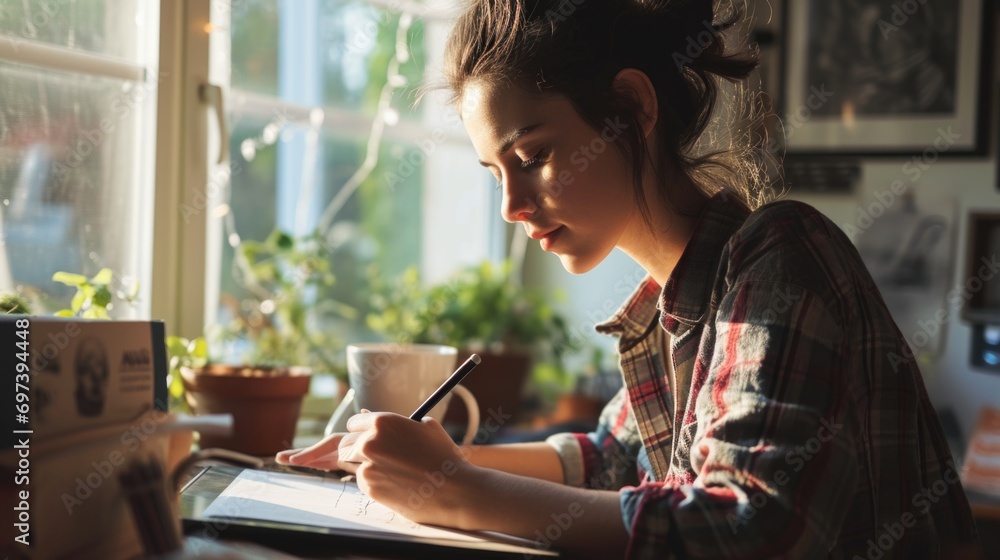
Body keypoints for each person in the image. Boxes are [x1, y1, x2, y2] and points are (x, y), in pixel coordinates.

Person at [277, 0, 982, 557]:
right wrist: (424, 460)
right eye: (495, 173)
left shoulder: (779, 254)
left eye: (534, 153)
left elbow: (750, 530)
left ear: (632, 109)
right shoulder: (668, 308)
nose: (513, 207)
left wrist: (455, 488)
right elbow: (609, 457)